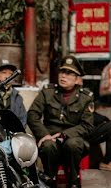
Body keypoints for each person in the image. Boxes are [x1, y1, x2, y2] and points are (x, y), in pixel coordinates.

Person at [28, 55, 94, 188]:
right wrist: (44, 134)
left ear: (77, 80)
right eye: (62, 72)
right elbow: (32, 115)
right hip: (50, 137)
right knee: (47, 145)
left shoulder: (85, 98)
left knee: (72, 144)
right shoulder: (47, 92)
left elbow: (87, 126)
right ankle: (49, 178)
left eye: (69, 74)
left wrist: (64, 135)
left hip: (73, 139)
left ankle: (74, 180)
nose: (64, 76)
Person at [0, 59, 27, 127]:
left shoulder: (18, 98)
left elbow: (23, 120)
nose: (8, 76)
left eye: (11, 74)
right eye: (4, 72)